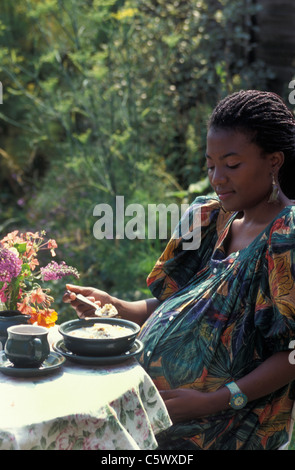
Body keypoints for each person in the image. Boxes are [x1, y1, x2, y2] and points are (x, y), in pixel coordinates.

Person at [64, 89, 295, 450]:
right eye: (210, 165)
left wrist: (216, 400)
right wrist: (118, 309)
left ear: (274, 161)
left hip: (232, 433)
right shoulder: (207, 219)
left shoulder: (286, 237)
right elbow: (180, 305)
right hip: (155, 423)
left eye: (232, 165)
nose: (217, 178)